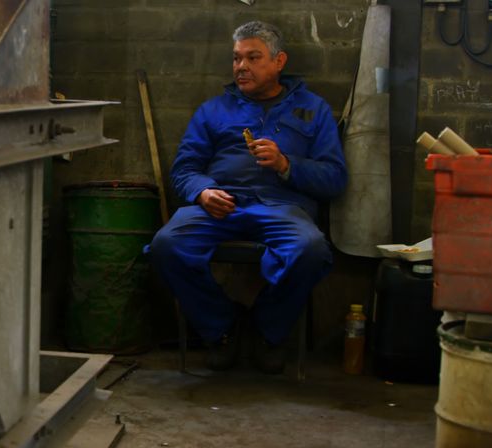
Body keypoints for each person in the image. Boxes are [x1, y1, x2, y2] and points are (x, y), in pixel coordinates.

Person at [148, 20, 347, 373]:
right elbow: (184, 169)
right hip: (222, 205)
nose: (242, 67)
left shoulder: (312, 110)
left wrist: (287, 165)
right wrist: (203, 191)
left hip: (283, 208)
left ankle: (267, 331)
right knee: (167, 245)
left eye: (253, 58)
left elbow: (335, 179)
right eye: (237, 58)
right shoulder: (213, 111)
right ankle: (222, 328)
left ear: (279, 61)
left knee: (311, 250)